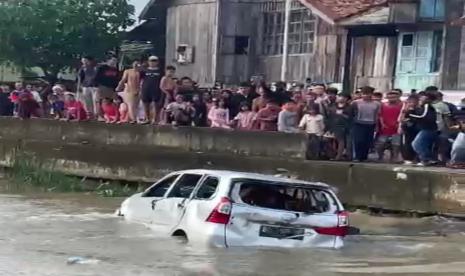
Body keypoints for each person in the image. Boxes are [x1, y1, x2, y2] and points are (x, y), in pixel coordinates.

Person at [351, 86, 381, 162]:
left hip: (371, 124)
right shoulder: (356, 102)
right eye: (364, 94)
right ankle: (357, 156)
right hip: (358, 124)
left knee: (367, 141)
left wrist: (376, 125)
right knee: (358, 141)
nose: (366, 96)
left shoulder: (376, 104)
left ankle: (364, 157)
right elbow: (351, 113)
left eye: (368, 94)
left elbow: (377, 115)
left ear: (372, 94)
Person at [408, 92, 438, 166]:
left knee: (416, 144)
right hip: (424, 128)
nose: (420, 98)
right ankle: (427, 159)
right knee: (422, 145)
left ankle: (427, 159)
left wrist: (410, 112)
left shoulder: (427, 106)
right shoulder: (422, 107)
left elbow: (422, 116)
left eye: (423, 97)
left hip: (429, 129)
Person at [376, 90, 403, 163]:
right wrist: (382, 124)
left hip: (396, 128)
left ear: (398, 97)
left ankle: (395, 158)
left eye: (394, 97)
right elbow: (380, 115)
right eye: (390, 97)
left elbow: (403, 115)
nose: (392, 99)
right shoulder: (383, 105)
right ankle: (380, 156)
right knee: (380, 144)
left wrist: (400, 124)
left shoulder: (402, 105)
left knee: (396, 144)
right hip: (385, 128)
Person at [328, 94, 352, 161]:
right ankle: (332, 155)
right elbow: (330, 116)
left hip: (344, 126)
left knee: (341, 141)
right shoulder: (333, 106)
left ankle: (339, 156)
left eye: (343, 97)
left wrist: (342, 114)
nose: (340, 98)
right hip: (333, 125)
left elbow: (350, 117)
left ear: (346, 99)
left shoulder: (349, 107)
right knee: (329, 140)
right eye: (339, 96)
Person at [140, 56, 163, 124]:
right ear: (148, 62)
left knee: (156, 105)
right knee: (146, 104)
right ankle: (147, 119)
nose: (153, 62)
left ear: (157, 62)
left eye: (154, 61)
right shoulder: (144, 70)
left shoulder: (160, 71)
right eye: (151, 61)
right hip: (146, 89)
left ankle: (155, 119)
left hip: (156, 89)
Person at [399, 95, 420, 165]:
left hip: (416, 129)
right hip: (407, 129)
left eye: (413, 102)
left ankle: (415, 158)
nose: (411, 104)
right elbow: (400, 119)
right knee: (406, 143)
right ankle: (407, 158)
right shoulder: (405, 110)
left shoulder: (419, 110)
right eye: (410, 102)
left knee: (415, 143)